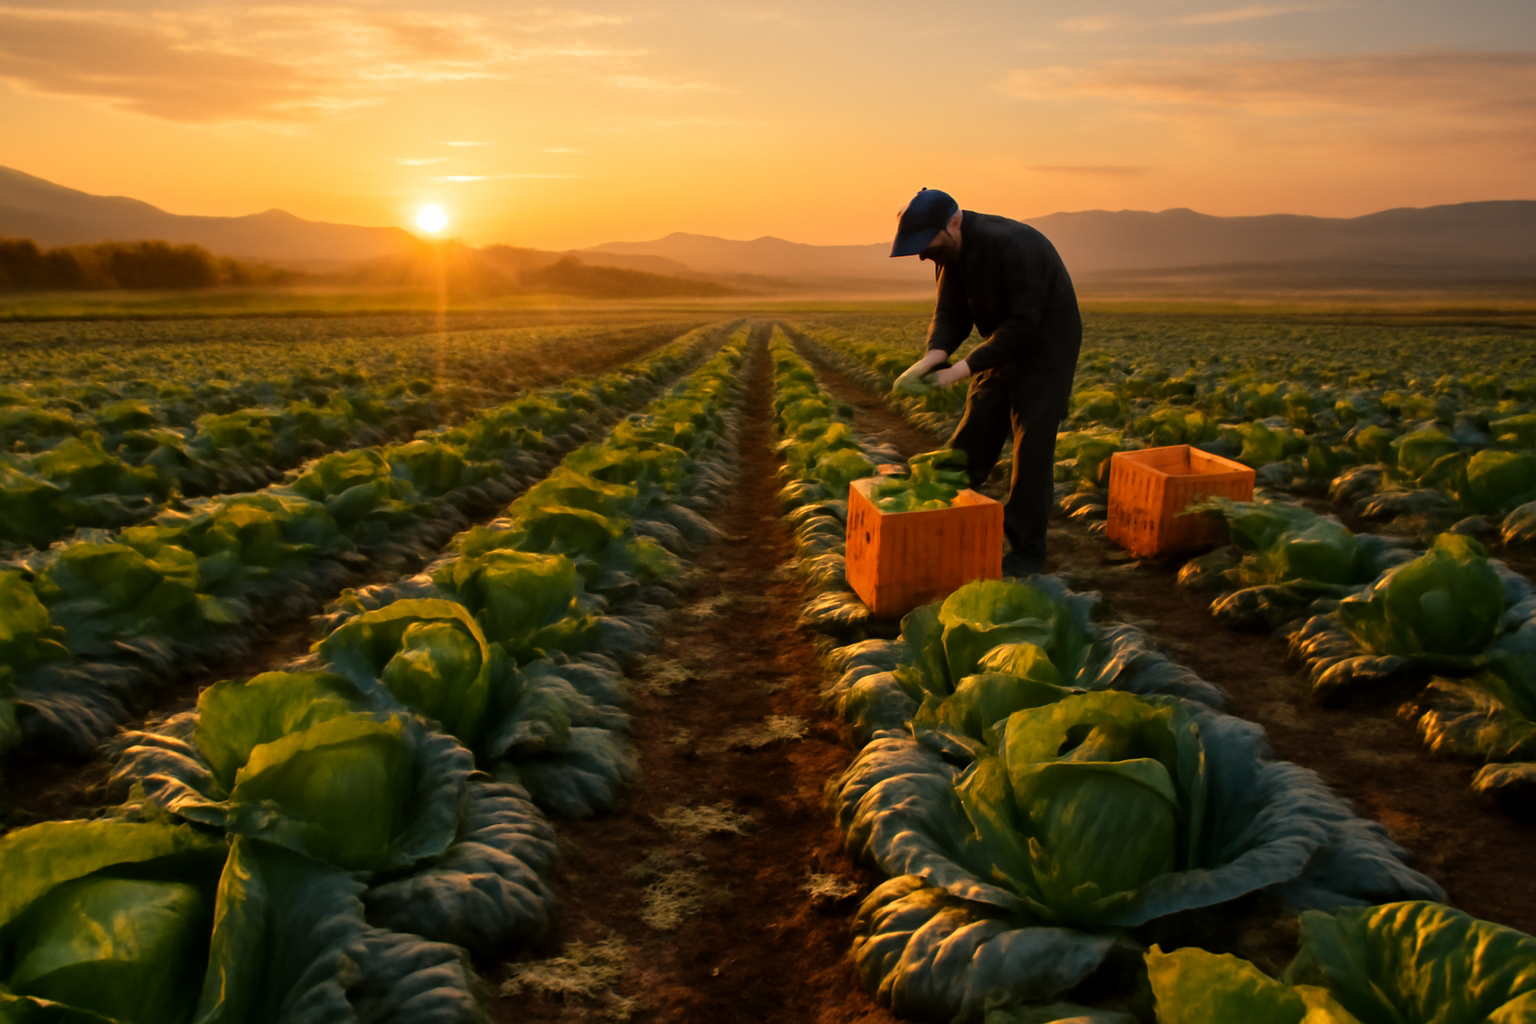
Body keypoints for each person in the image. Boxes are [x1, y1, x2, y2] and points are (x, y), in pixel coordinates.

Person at [889, 188, 1082, 577]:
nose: (925, 254)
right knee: (976, 428)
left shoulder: (1013, 245)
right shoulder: (949, 251)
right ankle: (940, 519)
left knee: (1032, 446)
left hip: (1046, 349)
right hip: (1001, 343)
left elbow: (1024, 325)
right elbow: (950, 311)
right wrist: (932, 356)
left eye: (927, 244)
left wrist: (961, 370)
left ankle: (1027, 551)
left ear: (954, 222)